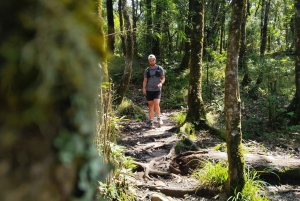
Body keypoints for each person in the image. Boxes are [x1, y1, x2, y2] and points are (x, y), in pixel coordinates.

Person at [143, 54, 165, 129]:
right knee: (151, 106)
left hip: (157, 90)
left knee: (156, 104)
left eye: (153, 60)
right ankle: (151, 121)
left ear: (155, 60)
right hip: (149, 90)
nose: (152, 61)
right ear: (149, 61)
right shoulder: (147, 70)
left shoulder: (159, 68)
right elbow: (145, 80)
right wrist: (144, 88)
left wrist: (161, 83)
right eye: (150, 61)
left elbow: (163, 78)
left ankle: (159, 118)